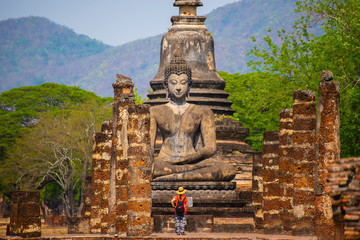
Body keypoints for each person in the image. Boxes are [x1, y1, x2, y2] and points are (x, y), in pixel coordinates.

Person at [150, 49, 236, 182]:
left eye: (183, 83)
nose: (178, 87)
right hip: (165, 162)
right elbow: (148, 149)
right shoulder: (155, 111)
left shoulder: (203, 111)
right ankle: (178, 175)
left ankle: (171, 177)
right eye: (173, 83)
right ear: (165, 85)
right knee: (149, 168)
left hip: (193, 162)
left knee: (227, 170)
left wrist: (193, 158)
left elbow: (211, 148)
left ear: (189, 85)